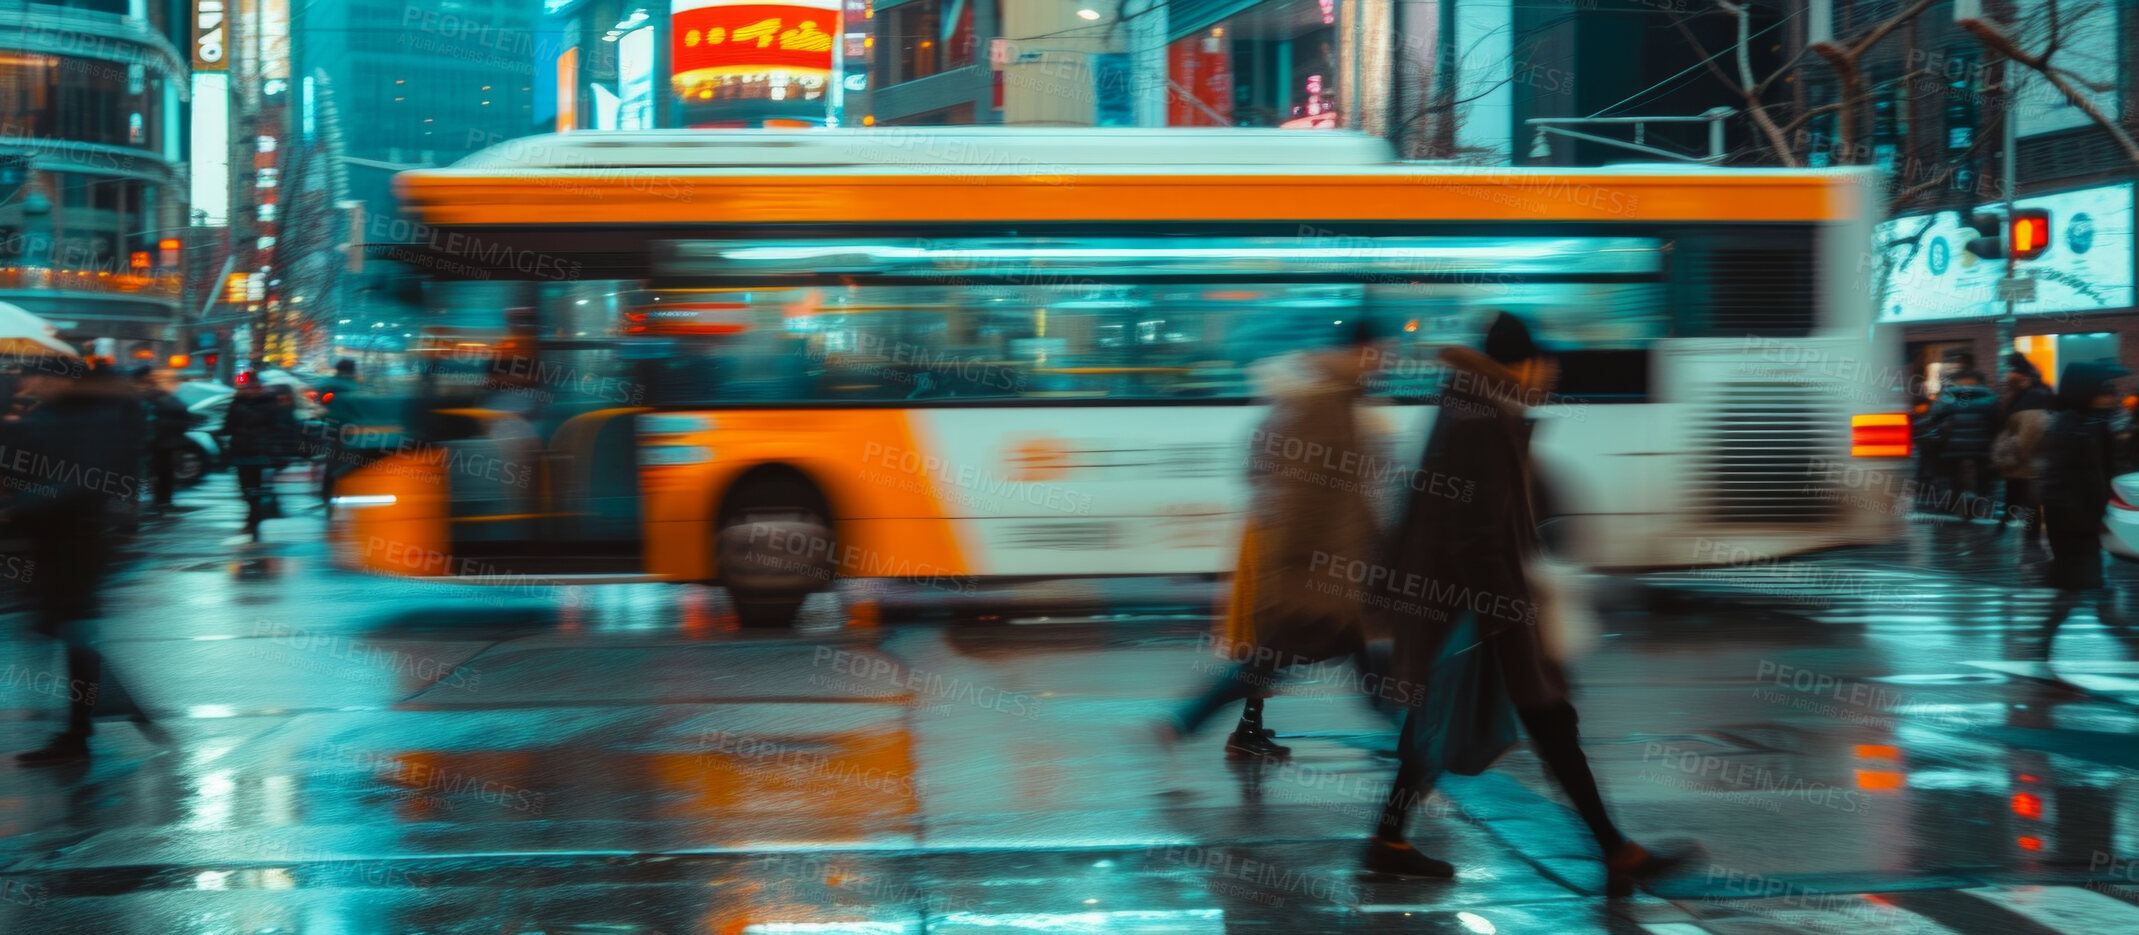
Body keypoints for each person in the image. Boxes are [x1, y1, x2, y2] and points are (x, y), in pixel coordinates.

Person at [1364, 311, 1688, 895]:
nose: (1553, 375)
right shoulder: (1485, 417)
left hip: (1459, 606)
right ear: (1527, 364)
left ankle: (1388, 838)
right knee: (1547, 720)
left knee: (1485, 721)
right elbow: (1477, 537)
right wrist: (1514, 614)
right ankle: (1617, 852)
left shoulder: (1470, 406)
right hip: (1477, 610)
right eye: (1549, 364)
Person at [1156, 318, 1392, 759]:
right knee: (1270, 658)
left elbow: (1268, 477)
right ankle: (1198, 723)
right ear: (1363, 352)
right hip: (1312, 569)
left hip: (1309, 564)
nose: (1385, 364)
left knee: (1271, 659)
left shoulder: (1309, 406)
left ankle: (1193, 723)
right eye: (1381, 353)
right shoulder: (1321, 410)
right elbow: (1311, 498)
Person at [4, 359, 155, 764]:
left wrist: (21, 507)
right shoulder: (50, 414)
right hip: (51, 541)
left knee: (70, 632)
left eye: (34, 377)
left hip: (76, 544)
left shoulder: (88, 417)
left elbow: (82, 481)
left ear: (56, 380)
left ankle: (83, 730)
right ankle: (96, 718)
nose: (28, 384)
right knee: (62, 631)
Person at [2036, 360, 2131, 591]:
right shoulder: (2075, 427)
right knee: (2081, 581)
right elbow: (2063, 479)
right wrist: (2091, 518)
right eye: (2106, 392)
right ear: (2086, 393)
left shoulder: (2096, 423)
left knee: (2076, 580)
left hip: (2086, 515)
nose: (2114, 397)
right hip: (2075, 518)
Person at [221, 373, 301, 541]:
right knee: (245, 489)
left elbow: (277, 428)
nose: (251, 390)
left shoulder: (270, 404)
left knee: (255, 490)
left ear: (259, 386)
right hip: (242, 453)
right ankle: (253, 516)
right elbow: (228, 426)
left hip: (260, 454)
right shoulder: (237, 403)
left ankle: (254, 520)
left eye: (255, 386)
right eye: (248, 386)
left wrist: (279, 452)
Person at [1918, 370, 1999, 519]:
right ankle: (1978, 502)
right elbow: (1998, 421)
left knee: (1951, 477)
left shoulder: (1947, 397)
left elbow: (1933, 418)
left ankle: (1951, 504)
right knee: (1982, 477)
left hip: (1952, 447)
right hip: (1981, 448)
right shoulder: (1989, 397)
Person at [1993, 354, 2055, 541]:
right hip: (2024, 464)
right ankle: (2012, 534)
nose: (2007, 377)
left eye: (2011, 372)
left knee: (2029, 504)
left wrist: (2008, 450)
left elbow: (2028, 436)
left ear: (2024, 377)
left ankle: (2029, 539)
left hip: (2026, 464)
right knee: (2020, 502)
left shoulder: (2032, 398)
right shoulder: (2029, 395)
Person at [135, 366, 191, 513]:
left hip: (162, 442)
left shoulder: (160, 399)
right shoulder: (159, 399)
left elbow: (182, 420)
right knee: (162, 472)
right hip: (161, 442)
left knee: (162, 472)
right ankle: (162, 499)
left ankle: (162, 499)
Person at [313, 359, 362, 506]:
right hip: (353, 429)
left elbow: (322, 401)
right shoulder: (356, 386)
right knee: (352, 461)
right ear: (353, 370)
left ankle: (327, 494)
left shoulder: (326, 384)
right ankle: (346, 492)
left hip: (331, 426)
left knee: (332, 460)